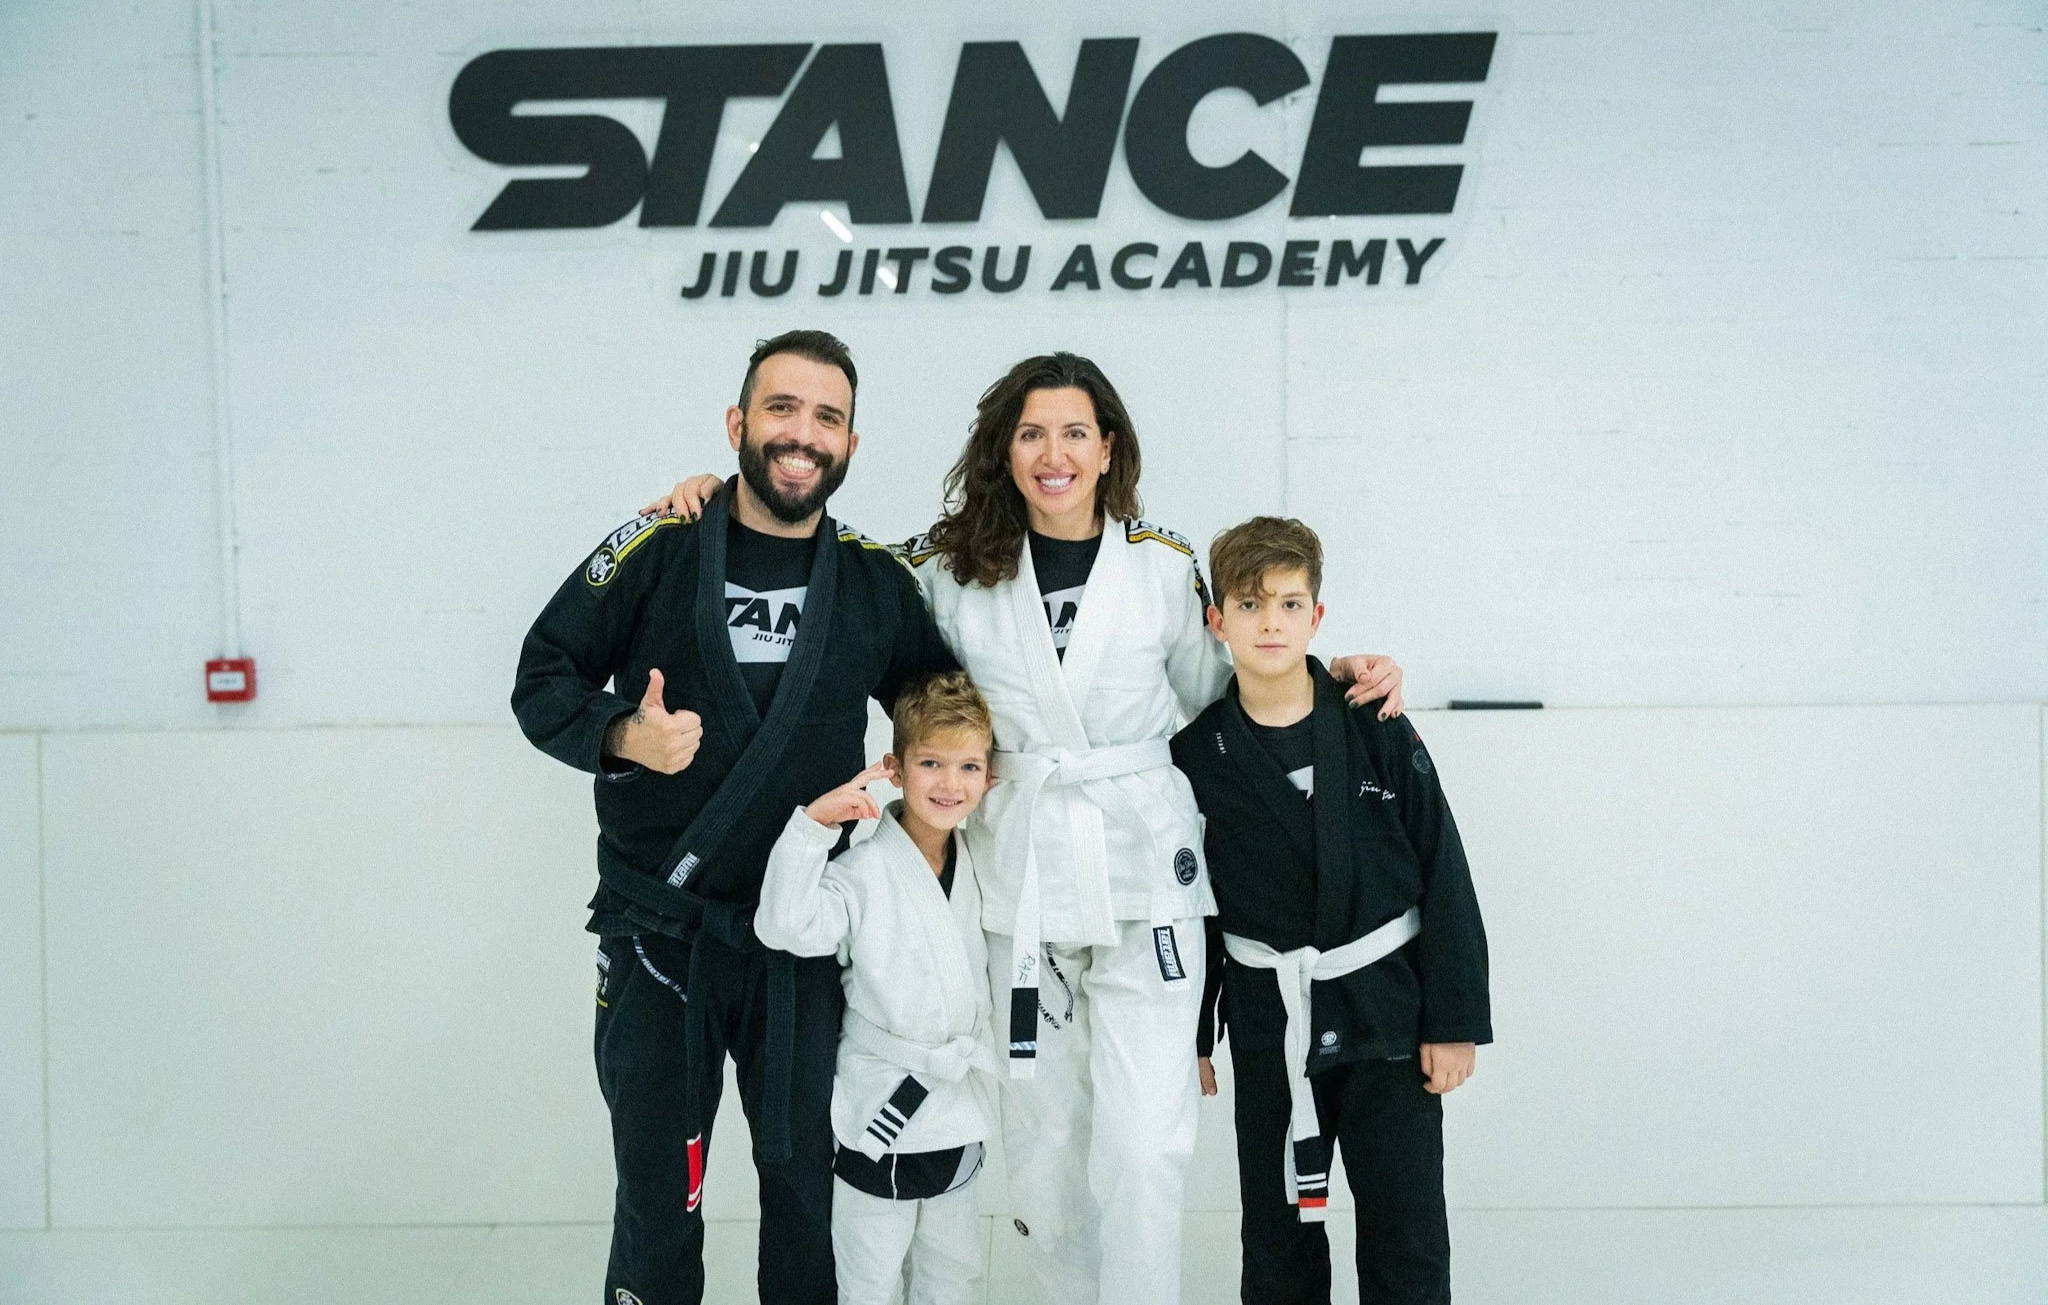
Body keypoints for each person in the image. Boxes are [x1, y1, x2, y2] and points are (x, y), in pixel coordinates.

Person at [653, 351, 1404, 1305]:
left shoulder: (1162, 566)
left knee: (1145, 1149)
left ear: (1109, 448)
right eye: (1032, 433)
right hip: (1018, 891)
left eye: (1076, 432)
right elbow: (833, 571)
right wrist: (723, 506)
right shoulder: (949, 568)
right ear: (1004, 451)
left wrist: (1339, 676)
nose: (1055, 454)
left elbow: (1243, 688)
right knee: (1047, 1166)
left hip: (1147, 885)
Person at [511, 329, 958, 1305]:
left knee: (805, 1196)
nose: (803, 434)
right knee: (658, 1197)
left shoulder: (875, 582)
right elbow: (542, 677)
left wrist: (906, 833)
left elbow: (942, 718)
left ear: (850, 444)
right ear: (736, 423)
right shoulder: (655, 549)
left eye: (827, 418)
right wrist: (623, 733)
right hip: (657, 936)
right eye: (781, 408)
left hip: (800, 945)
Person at [1173, 516, 1491, 1305]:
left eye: (1289, 604)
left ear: (1317, 616)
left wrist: (1454, 1020)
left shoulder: (1372, 722)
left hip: (1388, 1016)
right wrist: (1195, 1031)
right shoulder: (1196, 755)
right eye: (1249, 605)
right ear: (1217, 620)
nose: (1270, 623)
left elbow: (1443, 865)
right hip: (1269, 1020)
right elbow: (1190, 906)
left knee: (1406, 1232)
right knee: (1277, 1238)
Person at [756, 670, 1003, 1305]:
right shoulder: (862, 870)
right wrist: (813, 827)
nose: (950, 784)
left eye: (969, 767)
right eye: (931, 763)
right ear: (895, 768)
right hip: (880, 1110)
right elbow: (783, 925)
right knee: (868, 1281)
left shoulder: (983, 862)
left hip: (958, 1107)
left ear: (989, 776)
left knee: (954, 1276)